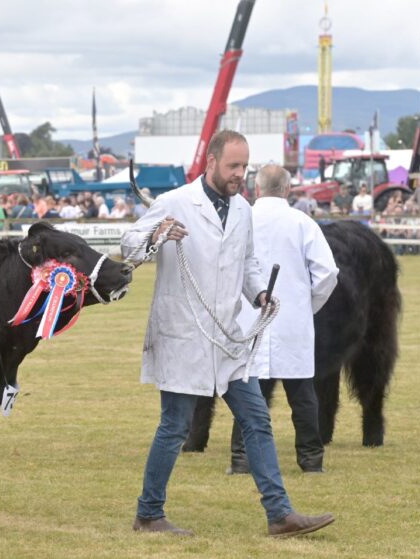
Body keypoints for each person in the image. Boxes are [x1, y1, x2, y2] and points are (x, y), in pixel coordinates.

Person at [121, 130, 334, 538]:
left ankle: (280, 515)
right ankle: (148, 514)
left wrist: (259, 293)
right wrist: (157, 234)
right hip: (183, 334)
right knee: (175, 426)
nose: (240, 174)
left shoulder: (242, 211)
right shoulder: (175, 202)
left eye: (245, 167)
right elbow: (129, 246)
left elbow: (248, 263)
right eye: (233, 166)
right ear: (212, 163)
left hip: (229, 337)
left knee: (257, 420)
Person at [229, 164, 339, 475]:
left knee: (248, 396)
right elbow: (328, 273)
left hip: (248, 322)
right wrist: (306, 305)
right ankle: (311, 461)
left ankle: (241, 460)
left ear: (257, 189)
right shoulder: (302, 223)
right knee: (303, 398)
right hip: (292, 324)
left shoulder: (240, 220)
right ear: (288, 190)